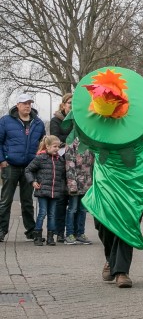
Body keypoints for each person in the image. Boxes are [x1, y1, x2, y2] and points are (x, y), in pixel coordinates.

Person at [65, 67, 143, 288]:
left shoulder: (137, 111)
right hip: (107, 166)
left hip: (134, 169)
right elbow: (85, 132)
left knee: (127, 217)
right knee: (103, 219)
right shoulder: (95, 117)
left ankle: (122, 271)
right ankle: (111, 260)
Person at [0, 93, 47, 242]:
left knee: (27, 201)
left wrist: (38, 162)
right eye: (24, 103)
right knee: (5, 200)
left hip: (29, 167)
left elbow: (42, 144)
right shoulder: (6, 121)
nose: (27, 106)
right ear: (18, 105)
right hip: (10, 165)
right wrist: (2, 160)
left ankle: (31, 231)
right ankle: (1, 230)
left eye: (29, 103)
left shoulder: (38, 123)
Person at [25, 135, 66, 246]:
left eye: (58, 146)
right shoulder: (40, 158)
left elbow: (62, 175)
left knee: (52, 214)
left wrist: (61, 188)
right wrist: (33, 182)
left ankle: (50, 237)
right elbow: (28, 170)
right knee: (42, 213)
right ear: (47, 146)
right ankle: (37, 236)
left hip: (55, 191)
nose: (57, 149)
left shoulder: (60, 160)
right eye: (54, 146)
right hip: (42, 191)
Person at [49, 93, 73, 243]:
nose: (72, 105)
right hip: (61, 160)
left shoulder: (78, 121)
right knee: (60, 199)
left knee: (74, 200)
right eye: (70, 103)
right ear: (63, 105)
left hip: (76, 163)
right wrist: (70, 141)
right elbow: (56, 139)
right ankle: (58, 231)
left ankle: (74, 231)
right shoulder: (55, 120)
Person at [63, 137, 94, 245]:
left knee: (82, 209)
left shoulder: (90, 142)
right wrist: (72, 185)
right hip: (75, 183)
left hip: (87, 183)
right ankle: (69, 234)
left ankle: (80, 233)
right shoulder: (72, 144)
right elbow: (69, 165)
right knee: (72, 209)